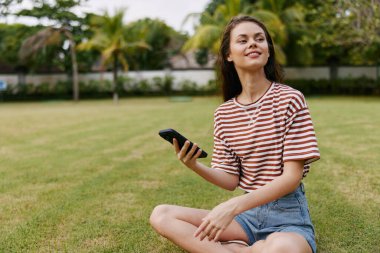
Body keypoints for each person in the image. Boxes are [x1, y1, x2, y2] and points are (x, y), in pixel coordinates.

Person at [150, 15, 320, 253]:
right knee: (162, 214)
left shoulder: (290, 99)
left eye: (259, 39)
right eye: (243, 40)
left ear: (268, 52)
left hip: (287, 216)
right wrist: (194, 165)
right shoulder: (224, 113)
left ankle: (239, 249)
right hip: (245, 219)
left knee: (280, 249)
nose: (253, 43)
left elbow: (292, 177)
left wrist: (233, 207)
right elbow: (230, 179)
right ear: (229, 55)